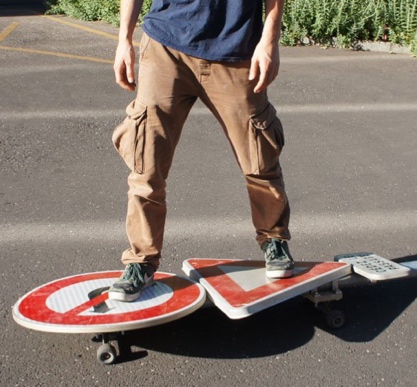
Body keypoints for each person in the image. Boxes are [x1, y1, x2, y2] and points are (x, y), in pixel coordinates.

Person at [109, 0, 295, 302]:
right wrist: (123, 41)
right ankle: (140, 261)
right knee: (147, 163)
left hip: (236, 48)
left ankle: (274, 240)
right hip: (166, 46)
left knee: (259, 159)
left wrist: (269, 40)